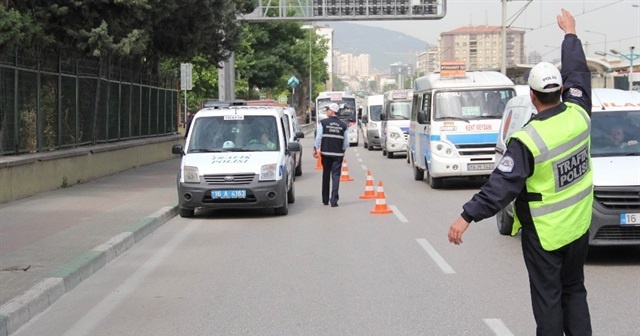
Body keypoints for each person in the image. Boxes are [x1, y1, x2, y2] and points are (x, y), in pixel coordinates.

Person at [447, 9, 593, 336]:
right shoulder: (580, 114)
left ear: (531, 95)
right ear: (561, 91)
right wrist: (570, 34)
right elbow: (579, 74)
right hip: (580, 225)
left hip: (545, 234)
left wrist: (465, 217)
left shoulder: (528, 139)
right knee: (574, 290)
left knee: (549, 299)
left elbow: (500, 188)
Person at [313, 103, 349, 207]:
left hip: (325, 153)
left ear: (332, 111)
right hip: (338, 154)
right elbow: (346, 142)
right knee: (336, 176)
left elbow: (319, 137)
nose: (326, 111)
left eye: (327, 109)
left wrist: (315, 148)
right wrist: (343, 151)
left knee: (326, 175)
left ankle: (325, 199)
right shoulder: (343, 125)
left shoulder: (323, 123)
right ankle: (334, 200)